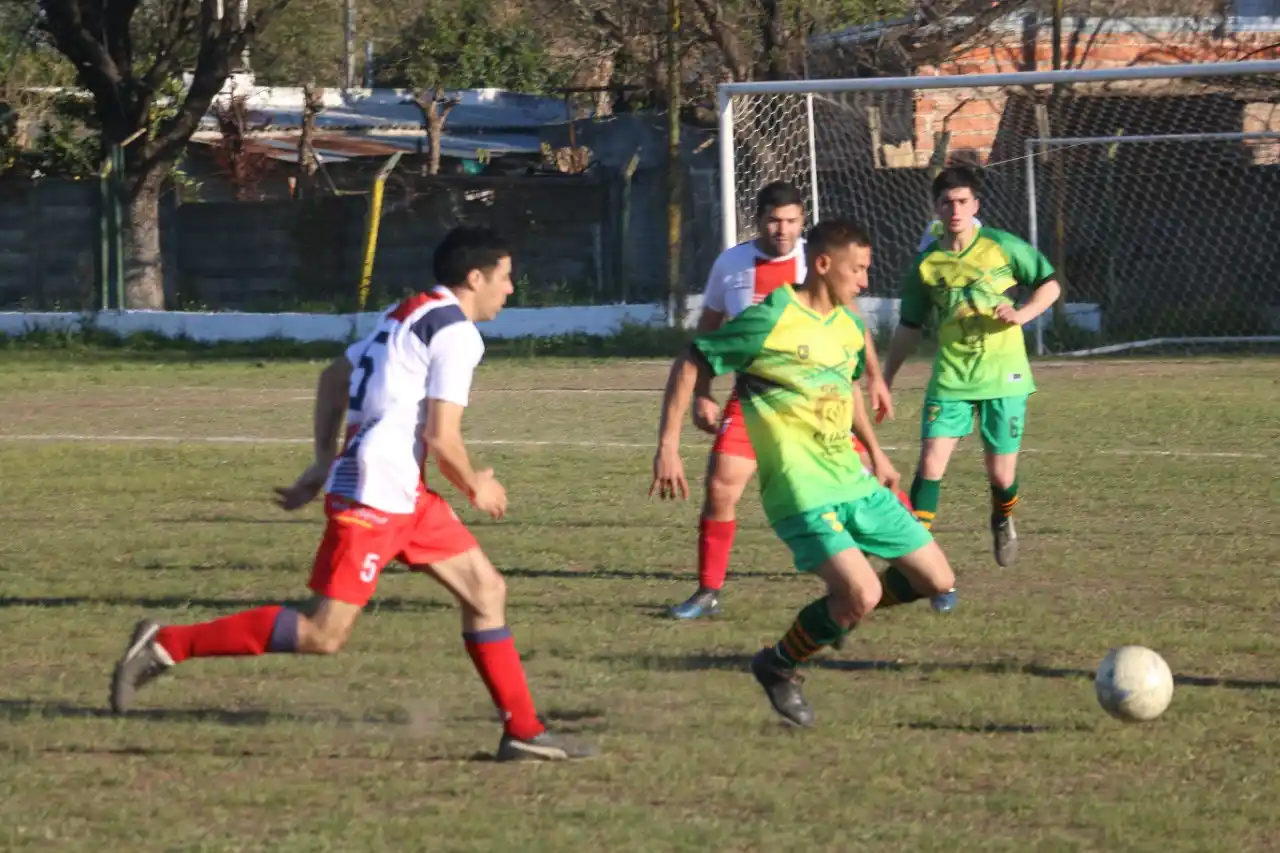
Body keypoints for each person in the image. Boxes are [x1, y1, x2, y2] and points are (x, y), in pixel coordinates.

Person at [109, 226, 595, 763]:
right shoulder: (457, 333)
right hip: (375, 494)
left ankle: (523, 731)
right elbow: (441, 435)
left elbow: (333, 377)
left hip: (401, 490)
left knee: (486, 591)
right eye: (505, 279)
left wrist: (323, 462)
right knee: (323, 633)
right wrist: (476, 483)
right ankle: (167, 643)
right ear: (474, 277)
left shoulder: (407, 312)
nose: (510, 290)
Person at [650, 219, 958, 727]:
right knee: (865, 592)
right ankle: (779, 665)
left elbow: (848, 387)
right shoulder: (770, 318)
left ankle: (831, 617)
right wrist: (669, 443)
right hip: (800, 491)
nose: (863, 282)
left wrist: (877, 455)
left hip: (853, 479)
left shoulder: (846, 325)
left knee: (936, 578)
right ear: (821, 264)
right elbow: (692, 360)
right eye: (856, 270)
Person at [667, 180, 899, 621]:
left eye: (792, 220)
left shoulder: (818, 260)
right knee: (721, 485)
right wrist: (702, 393)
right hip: (756, 396)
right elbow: (711, 328)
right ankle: (708, 591)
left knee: (867, 476)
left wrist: (874, 377)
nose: (783, 229)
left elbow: (851, 321)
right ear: (757, 220)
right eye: (774, 220)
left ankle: (919, 566)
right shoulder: (731, 264)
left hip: (818, 400)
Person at [884, 166, 1061, 571]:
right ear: (936, 208)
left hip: (1005, 375)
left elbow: (1050, 284)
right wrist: (886, 378)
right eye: (947, 202)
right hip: (951, 377)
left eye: (963, 201)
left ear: (976, 205)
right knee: (930, 464)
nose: (955, 209)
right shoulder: (928, 263)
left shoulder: (1001, 246)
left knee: (1001, 477)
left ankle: (1002, 517)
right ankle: (914, 556)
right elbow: (909, 326)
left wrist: (1022, 313)